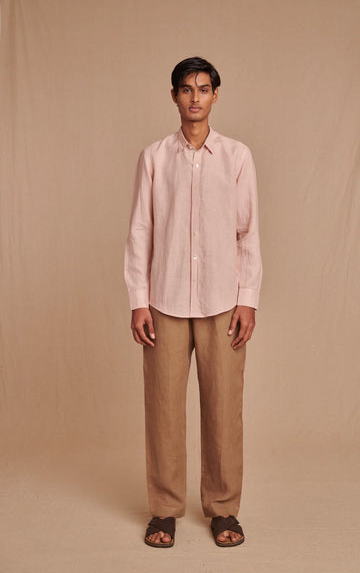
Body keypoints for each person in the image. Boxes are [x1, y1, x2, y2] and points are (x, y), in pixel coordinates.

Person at [124, 56, 262, 548]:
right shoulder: (154, 158)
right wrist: (139, 300)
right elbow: (141, 230)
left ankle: (224, 510)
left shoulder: (238, 157)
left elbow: (248, 233)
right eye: (187, 89)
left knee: (224, 408)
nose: (195, 97)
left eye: (204, 88)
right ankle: (164, 511)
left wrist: (248, 299)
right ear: (174, 96)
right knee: (163, 409)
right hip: (164, 301)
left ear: (215, 95)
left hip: (223, 301)